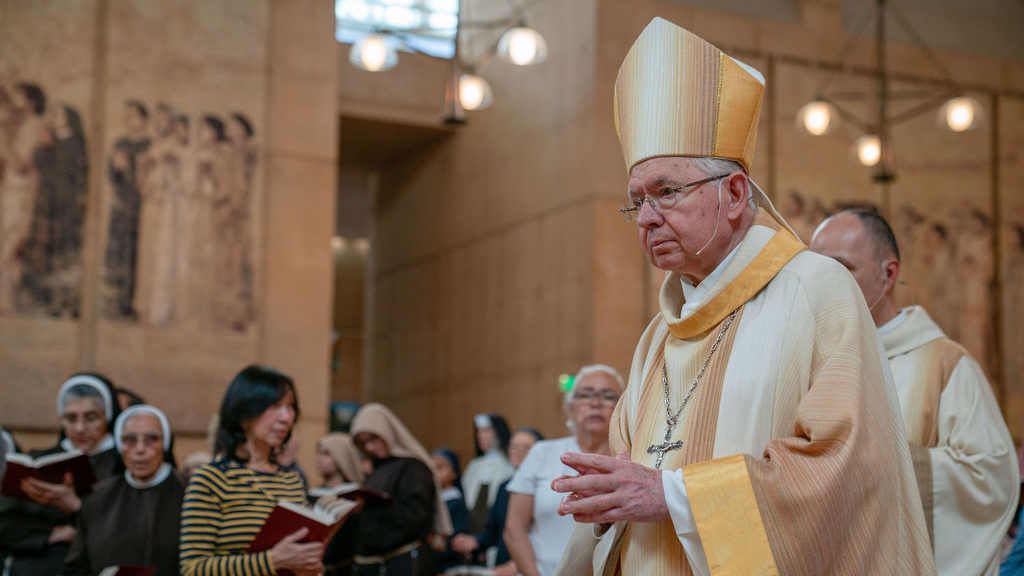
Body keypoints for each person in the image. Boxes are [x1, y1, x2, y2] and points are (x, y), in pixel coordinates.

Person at [550, 18, 934, 576]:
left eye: (667, 191)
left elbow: (848, 470)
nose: (648, 218)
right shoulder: (660, 331)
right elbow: (628, 465)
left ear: (733, 194)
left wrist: (674, 498)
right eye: (637, 200)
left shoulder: (815, 290)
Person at [809, 208, 1019, 576]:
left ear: (888, 274)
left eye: (842, 269)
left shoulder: (946, 366)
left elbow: (990, 480)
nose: (825, 284)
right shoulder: (811, 362)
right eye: (817, 270)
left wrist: (879, 463)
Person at [178, 365, 324, 576]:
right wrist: (271, 561)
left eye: (290, 406)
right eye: (274, 406)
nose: (286, 417)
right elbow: (192, 569)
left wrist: (311, 567)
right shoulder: (212, 479)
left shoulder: (290, 479)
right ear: (243, 412)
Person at [0, 373, 122, 576]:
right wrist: (49, 534)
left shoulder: (122, 463)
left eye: (91, 418)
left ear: (107, 417)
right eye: (71, 418)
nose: (80, 428)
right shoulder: (41, 460)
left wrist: (77, 508)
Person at [505, 366, 622, 576]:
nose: (595, 403)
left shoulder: (630, 461)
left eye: (607, 396)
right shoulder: (542, 453)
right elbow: (514, 529)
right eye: (585, 395)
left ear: (622, 407)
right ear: (571, 407)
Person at [63, 404, 185, 576]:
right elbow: (76, 568)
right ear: (120, 446)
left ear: (165, 444)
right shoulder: (98, 498)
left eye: (151, 439)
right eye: (130, 440)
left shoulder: (190, 492)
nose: (140, 449)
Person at [348, 403, 453, 576]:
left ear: (386, 432)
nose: (369, 448)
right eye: (363, 442)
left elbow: (414, 515)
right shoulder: (378, 470)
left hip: (404, 561)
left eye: (373, 439)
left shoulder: (412, 467)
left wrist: (373, 508)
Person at [453, 427, 543, 575]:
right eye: (514, 447)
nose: (519, 452)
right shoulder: (504, 486)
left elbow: (548, 534)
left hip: (535, 567)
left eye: (526, 447)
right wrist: (475, 542)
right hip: (502, 566)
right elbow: (493, 529)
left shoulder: (548, 488)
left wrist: (519, 564)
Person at [312, 433, 367, 576]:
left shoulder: (356, 495)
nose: (319, 459)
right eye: (318, 453)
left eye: (326, 454)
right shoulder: (312, 493)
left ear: (342, 456)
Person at [461, 414, 514, 532]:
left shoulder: (509, 465)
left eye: (486, 430)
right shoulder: (474, 465)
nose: (480, 436)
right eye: (478, 431)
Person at [433, 447, 470, 573]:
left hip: (448, 565)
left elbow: (457, 539)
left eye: (439, 467)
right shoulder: (431, 501)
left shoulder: (456, 502)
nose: (433, 472)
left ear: (453, 473)